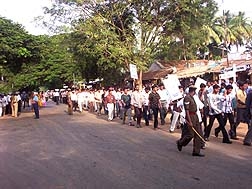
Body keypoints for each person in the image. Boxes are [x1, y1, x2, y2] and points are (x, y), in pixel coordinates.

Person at [176, 85, 204, 157]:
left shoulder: (193, 98)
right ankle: (180, 142)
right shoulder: (187, 98)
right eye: (194, 91)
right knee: (190, 134)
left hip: (196, 116)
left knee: (198, 134)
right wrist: (189, 121)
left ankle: (196, 151)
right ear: (193, 91)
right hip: (190, 116)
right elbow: (187, 110)